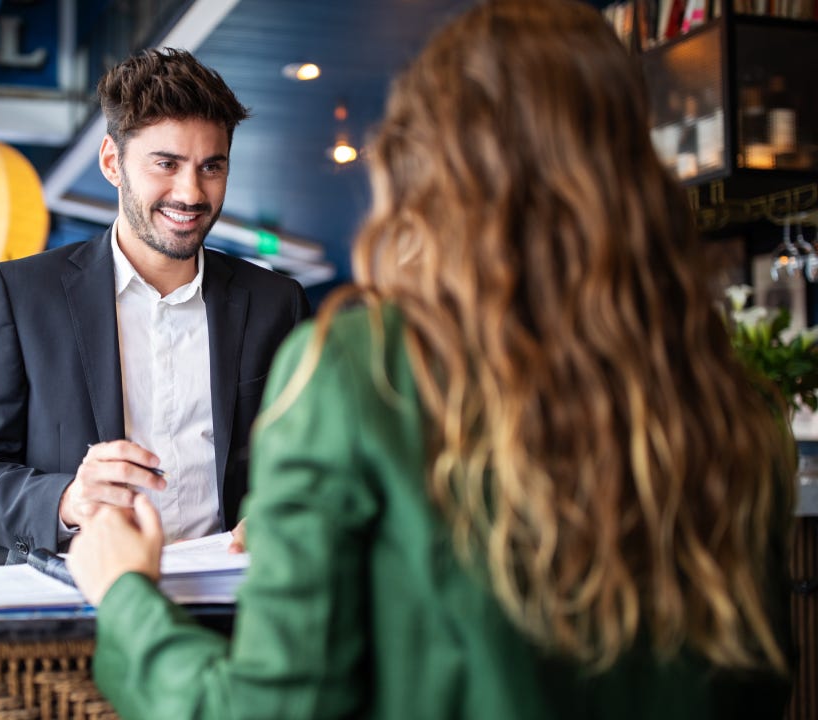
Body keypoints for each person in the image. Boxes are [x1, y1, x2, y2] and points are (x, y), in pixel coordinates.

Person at [65, 2, 796, 718]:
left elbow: (268, 707)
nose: (192, 190)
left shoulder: (359, 371)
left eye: (212, 166)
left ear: (431, 165)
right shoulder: (737, 409)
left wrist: (127, 597)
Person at [0, 48, 310, 563]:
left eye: (211, 167)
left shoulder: (277, 304)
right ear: (113, 162)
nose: (191, 192)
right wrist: (69, 500)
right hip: (76, 613)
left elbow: (313, 463)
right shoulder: (24, 296)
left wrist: (284, 510)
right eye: (167, 164)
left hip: (237, 611)